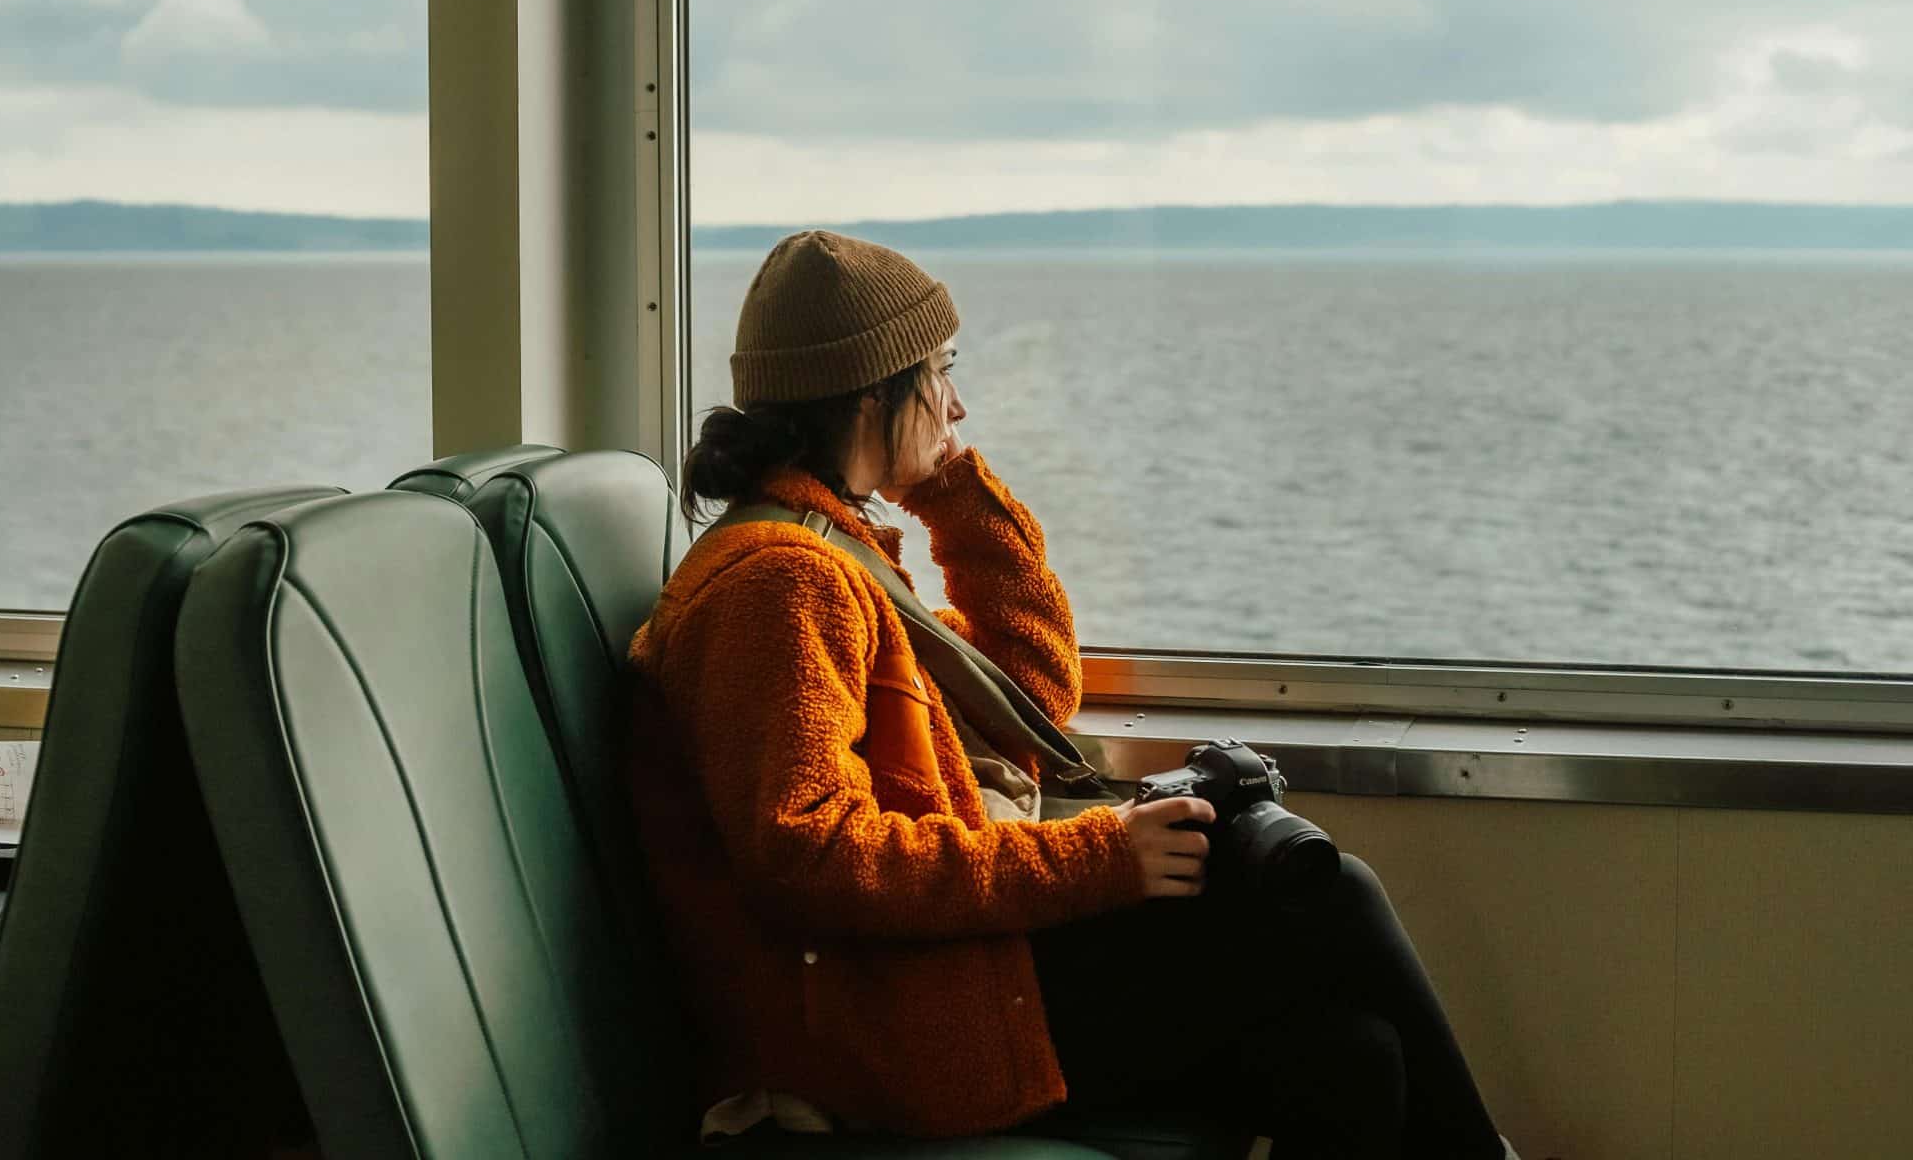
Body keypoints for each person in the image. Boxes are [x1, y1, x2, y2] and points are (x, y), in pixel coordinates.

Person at [624, 229, 1520, 1159]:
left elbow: (1031, 696)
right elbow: (811, 858)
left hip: (937, 975)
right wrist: (1102, 861)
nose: (959, 404)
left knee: (1352, 1059)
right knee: (1330, 897)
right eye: (942, 373)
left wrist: (952, 487)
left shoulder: (833, 554)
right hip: (889, 1024)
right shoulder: (779, 584)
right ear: (874, 393)